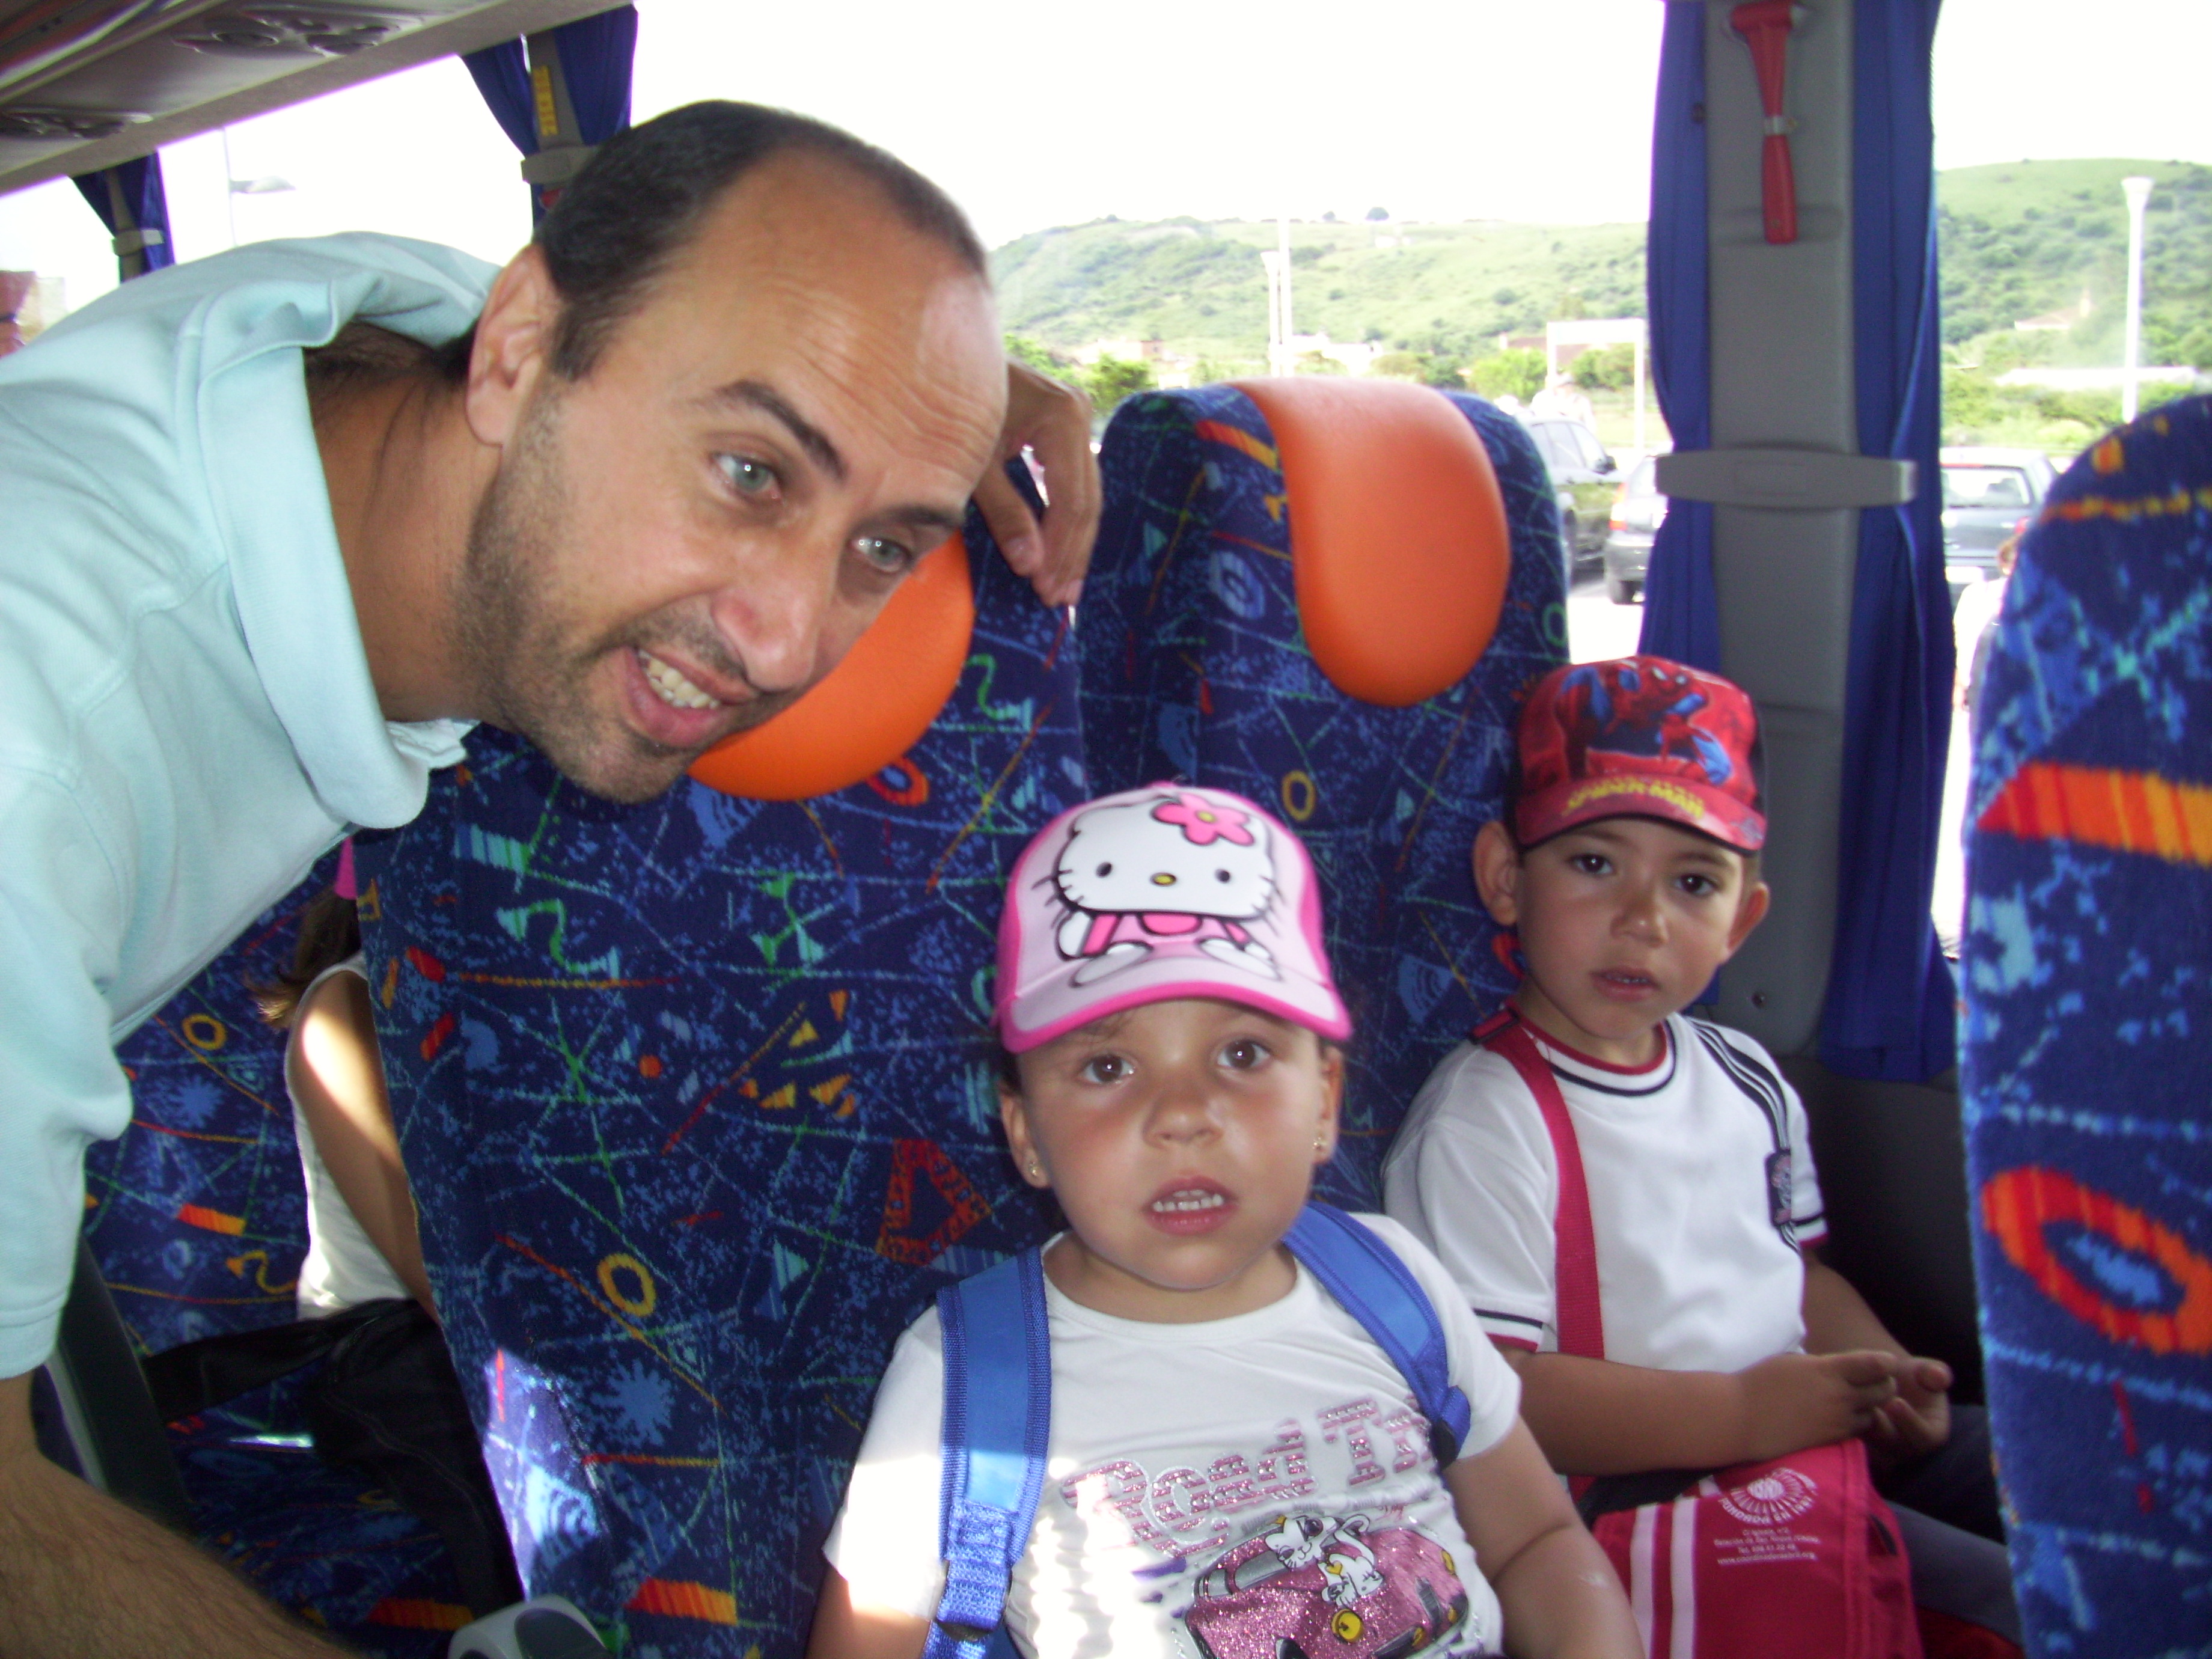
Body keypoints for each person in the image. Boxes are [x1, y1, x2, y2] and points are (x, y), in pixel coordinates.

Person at [0, 100, 1099, 1659]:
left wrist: (920, 410)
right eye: (751, 471)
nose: (786, 643)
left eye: (879, 547)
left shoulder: (387, 350)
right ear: (515, 355)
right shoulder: (38, 742)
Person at [808, 784, 1642, 1659]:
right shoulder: (965, 1379)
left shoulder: (1397, 1288)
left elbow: (1536, 1541)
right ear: (1026, 1136)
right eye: (1107, 1066)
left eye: (1242, 1054)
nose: (1183, 1114)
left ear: (1325, 1101)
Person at [1381, 656, 2020, 1643]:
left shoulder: (1745, 1075)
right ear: (1507, 878)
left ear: (1740, 923)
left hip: (1798, 1432)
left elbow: (1797, 1273)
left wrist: (1884, 1377)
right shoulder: (1486, 1120)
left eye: (1692, 883)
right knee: (2023, 1606)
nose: (1643, 920)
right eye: (1595, 865)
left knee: (2100, 1484)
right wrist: (1744, 1415)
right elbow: (1498, 1393)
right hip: (1641, 1493)